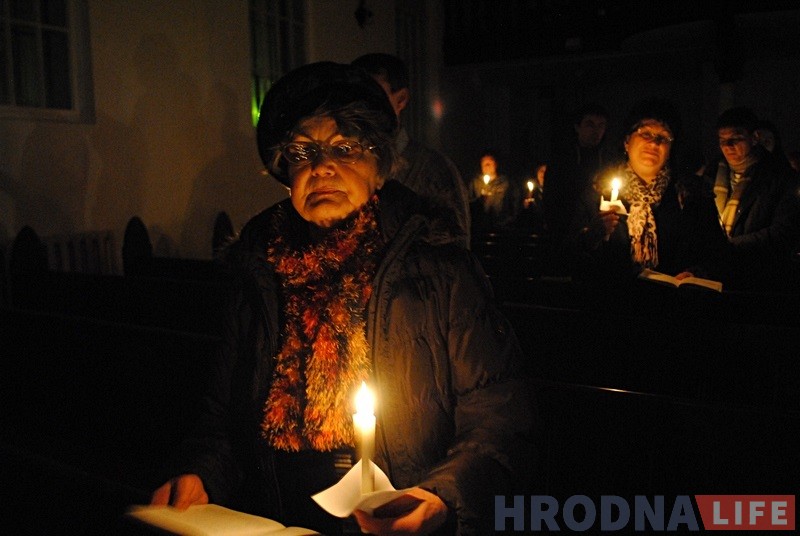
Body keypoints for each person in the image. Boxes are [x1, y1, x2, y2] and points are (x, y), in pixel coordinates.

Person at [149, 61, 534, 536]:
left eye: (346, 148)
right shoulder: (258, 272)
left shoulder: (438, 269)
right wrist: (202, 473)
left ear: (380, 170)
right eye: (303, 151)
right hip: (274, 518)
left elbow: (499, 416)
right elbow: (222, 416)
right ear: (284, 170)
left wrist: (440, 497)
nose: (322, 166)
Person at [568, 98, 729, 286]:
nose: (654, 143)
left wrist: (696, 273)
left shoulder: (691, 194)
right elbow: (570, 259)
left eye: (664, 137)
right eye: (645, 134)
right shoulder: (598, 192)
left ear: (670, 149)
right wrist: (591, 237)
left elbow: (718, 254)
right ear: (627, 142)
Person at [351, 53, 471, 248]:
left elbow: (453, 256)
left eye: (374, 94)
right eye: (356, 94)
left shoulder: (432, 170)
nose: (362, 104)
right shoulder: (347, 162)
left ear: (401, 99)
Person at [704, 106, 800, 290]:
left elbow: (783, 232)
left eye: (736, 138)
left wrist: (730, 246)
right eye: (722, 140)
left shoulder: (779, 177)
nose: (727, 146)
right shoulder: (712, 173)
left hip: (758, 279)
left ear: (754, 138)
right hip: (714, 275)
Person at [543, 103, 612, 273]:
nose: (596, 131)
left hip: (603, 240)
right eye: (590, 125)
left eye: (601, 126)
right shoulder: (562, 161)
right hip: (567, 239)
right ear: (577, 127)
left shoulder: (609, 160)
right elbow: (552, 202)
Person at [467, 150, 520, 233]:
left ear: (496, 164)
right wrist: (480, 201)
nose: (487, 165)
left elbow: (514, 203)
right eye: (484, 163)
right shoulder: (475, 183)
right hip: (481, 228)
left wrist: (508, 221)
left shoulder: (505, 183)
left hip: (503, 228)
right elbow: (468, 204)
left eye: (490, 162)